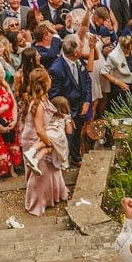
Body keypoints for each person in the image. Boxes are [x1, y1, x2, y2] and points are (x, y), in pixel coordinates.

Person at [21, 68, 69, 215]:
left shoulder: (43, 98)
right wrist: (49, 143)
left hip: (41, 138)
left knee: (52, 170)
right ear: (44, 83)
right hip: (36, 140)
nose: (51, 80)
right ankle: (36, 204)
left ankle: (54, 196)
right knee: (41, 175)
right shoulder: (38, 105)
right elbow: (39, 130)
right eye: (49, 78)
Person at [48, 34, 92, 167]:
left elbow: (87, 81)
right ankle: (63, 161)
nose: (83, 48)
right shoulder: (56, 69)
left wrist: (87, 101)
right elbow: (54, 96)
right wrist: (66, 114)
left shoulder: (79, 61)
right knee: (68, 136)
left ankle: (76, 157)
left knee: (77, 133)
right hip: (67, 108)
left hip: (80, 104)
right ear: (75, 52)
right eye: (81, 47)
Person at [23, 96, 73, 174]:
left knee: (47, 147)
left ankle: (34, 159)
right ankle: (32, 154)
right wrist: (69, 121)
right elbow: (69, 131)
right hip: (57, 135)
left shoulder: (49, 114)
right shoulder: (65, 117)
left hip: (48, 131)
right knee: (48, 147)